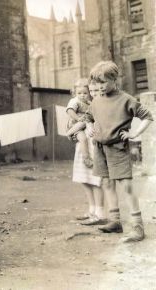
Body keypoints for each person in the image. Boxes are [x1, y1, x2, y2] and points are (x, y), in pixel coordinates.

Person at [87, 60, 153, 242]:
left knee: (126, 185)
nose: (98, 87)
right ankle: (115, 221)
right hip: (100, 148)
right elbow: (88, 118)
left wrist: (134, 133)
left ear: (114, 79)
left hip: (118, 148)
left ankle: (138, 227)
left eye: (102, 82)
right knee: (107, 183)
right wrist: (88, 127)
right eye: (96, 83)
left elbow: (147, 116)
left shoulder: (126, 100)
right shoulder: (96, 101)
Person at [73, 80, 107, 226]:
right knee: (84, 178)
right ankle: (92, 210)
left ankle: (100, 213)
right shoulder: (80, 106)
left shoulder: (98, 105)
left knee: (95, 179)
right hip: (82, 144)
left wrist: (86, 125)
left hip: (93, 142)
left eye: (89, 92)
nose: (87, 95)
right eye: (81, 93)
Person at [66, 79, 93, 168]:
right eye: (79, 93)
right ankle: (86, 159)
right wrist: (78, 118)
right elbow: (70, 110)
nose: (82, 95)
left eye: (85, 93)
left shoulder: (89, 103)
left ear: (89, 93)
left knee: (85, 137)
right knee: (83, 139)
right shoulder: (75, 101)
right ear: (75, 93)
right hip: (75, 125)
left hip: (84, 126)